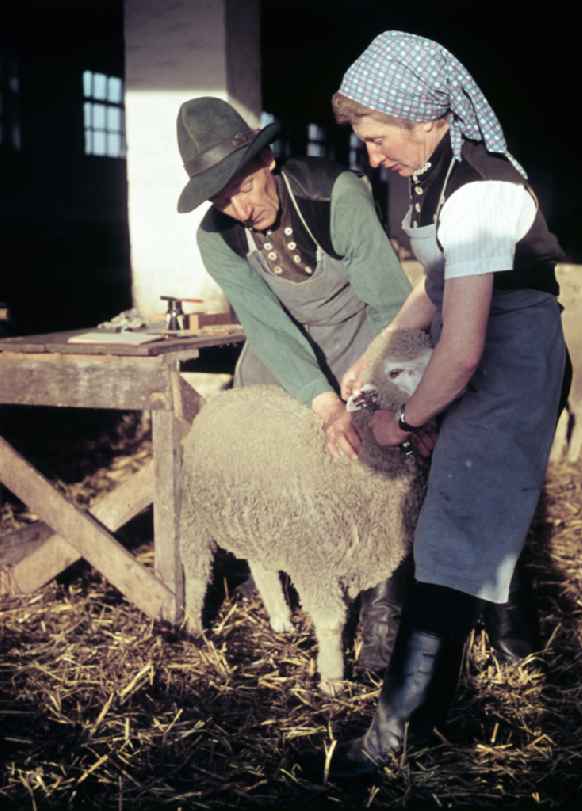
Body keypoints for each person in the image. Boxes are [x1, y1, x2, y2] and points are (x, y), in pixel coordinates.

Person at [314, 30, 570, 779]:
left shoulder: (482, 189)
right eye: (362, 140)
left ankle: (390, 741)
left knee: (451, 536)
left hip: (513, 355)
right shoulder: (437, 171)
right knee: (451, 531)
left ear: (426, 118)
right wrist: (375, 351)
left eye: (377, 136)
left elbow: (459, 352)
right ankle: (440, 710)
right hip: (482, 341)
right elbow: (436, 289)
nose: (372, 154)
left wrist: (405, 418)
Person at [175, 96, 415, 673]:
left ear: (266, 163)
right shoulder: (218, 238)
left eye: (241, 187)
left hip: (363, 344)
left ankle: (383, 614)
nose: (236, 206)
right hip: (283, 362)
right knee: (285, 482)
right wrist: (320, 399)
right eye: (219, 197)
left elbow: (390, 306)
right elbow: (268, 326)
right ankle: (296, 587)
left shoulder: (337, 197)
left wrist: (380, 393)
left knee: (383, 478)